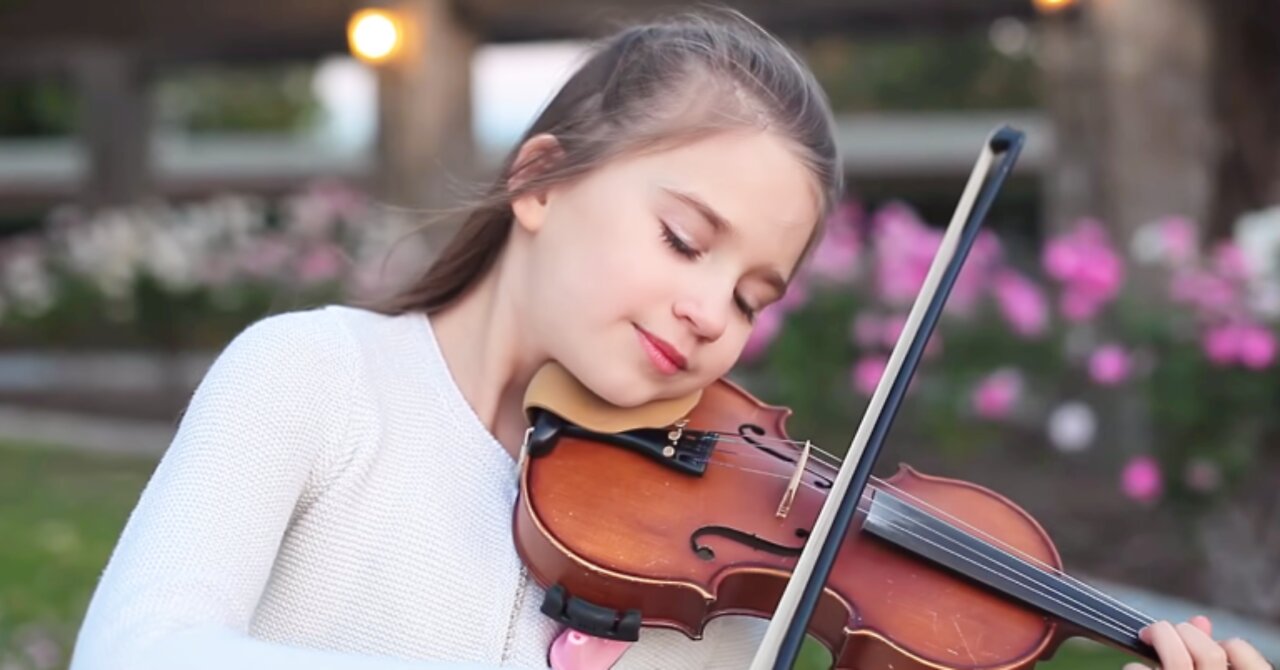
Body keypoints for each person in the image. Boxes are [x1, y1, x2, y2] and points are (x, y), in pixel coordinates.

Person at [68, 7, 1273, 670]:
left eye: (755, 293)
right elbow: (138, 646)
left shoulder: (707, 600)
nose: (713, 314)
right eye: (684, 239)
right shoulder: (319, 376)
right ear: (539, 181)